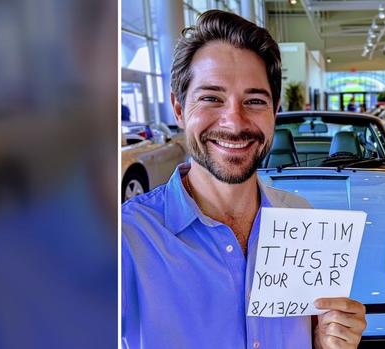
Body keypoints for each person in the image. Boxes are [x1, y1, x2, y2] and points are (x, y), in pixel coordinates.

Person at [122, 10, 366, 349]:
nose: (234, 123)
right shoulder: (127, 240)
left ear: (274, 111)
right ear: (179, 109)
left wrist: (326, 343)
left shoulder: (301, 218)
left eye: (254, 101)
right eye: (211, 98)